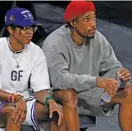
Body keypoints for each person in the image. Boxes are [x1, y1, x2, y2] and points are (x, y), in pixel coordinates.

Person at [0, 7, 78, 131]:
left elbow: (40, 90)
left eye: (31, 27)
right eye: (24, 28)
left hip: (22, 100)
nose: (30, 32)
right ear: (10, 29)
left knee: (55, 113)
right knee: (14, 113)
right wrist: (16, 98)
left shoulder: (36, 51)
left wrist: (50, 101)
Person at [42, 1, 132, 131]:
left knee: (128, 91)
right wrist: (95, 81)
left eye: (94, 19)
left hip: (87, 93)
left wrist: (121, 77)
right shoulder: (54, 43)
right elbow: (59, 80)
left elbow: (112, 67)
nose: (92, 24)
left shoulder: (97, 39)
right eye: (87, 20)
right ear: (73, 23)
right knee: (69, 94)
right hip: (56, 96)